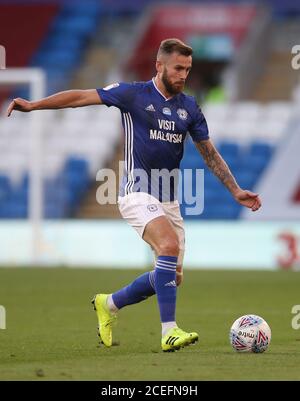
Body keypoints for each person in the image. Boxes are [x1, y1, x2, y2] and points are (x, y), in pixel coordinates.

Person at [7, 38, 262, 352]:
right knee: (168, 245)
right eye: (178, 68)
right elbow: (80, 97)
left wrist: (235, 189)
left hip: (168, 200)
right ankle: (169, 331)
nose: (184, 74)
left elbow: (209, 154)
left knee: (171, 276)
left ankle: (109, 304)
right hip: (136, 193)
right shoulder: (132, 94)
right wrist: (34, 106)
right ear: (160, 65)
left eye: (188, 69)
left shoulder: (190, 108)